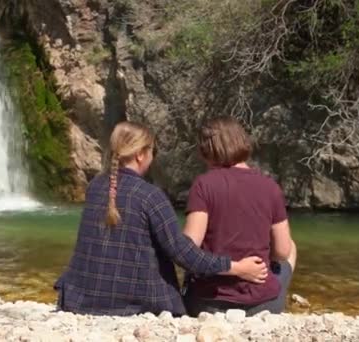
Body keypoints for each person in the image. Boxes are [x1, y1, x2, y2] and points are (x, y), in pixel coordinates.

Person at [54, 121, 268, 316]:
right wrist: (237, 267)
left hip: (81, 300)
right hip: (136, 304)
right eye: (152, 151)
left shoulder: (94, 188)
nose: (153, 156)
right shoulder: (150, 196)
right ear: (140, 155)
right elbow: (183, 253)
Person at [182, 116, 297, 316]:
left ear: (207, 150)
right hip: (263, 304)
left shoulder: (204, 185)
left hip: (208, 303)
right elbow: (282, 251)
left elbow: (187, 249)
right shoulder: (270, 187)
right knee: (292, 247)